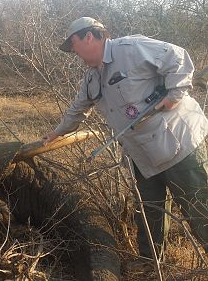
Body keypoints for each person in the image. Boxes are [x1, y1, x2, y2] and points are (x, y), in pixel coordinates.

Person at [42, 17, 208, 268]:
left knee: (199, 206)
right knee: (149, 211)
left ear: (89, 36)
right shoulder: (91, 78)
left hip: (179, 145)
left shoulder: (130, 49)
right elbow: (78, 109)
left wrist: (174, 95)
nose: (73, 51)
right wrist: (56, 133)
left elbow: (178, 57)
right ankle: (149, 265)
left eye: (73, 44)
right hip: (143, 156)